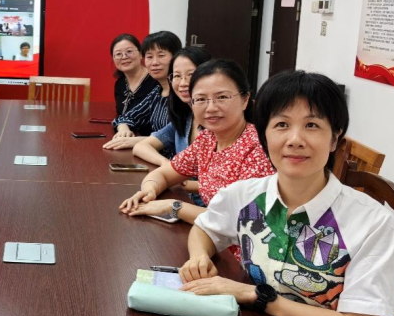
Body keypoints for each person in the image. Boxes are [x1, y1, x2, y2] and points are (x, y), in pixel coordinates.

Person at [180, 71, 394, 316]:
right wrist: (198, 257)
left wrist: (256, 296)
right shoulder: (245, 195)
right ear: (264, 134)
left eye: (312, 125)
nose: (295, 140)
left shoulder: (374, 223)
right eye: (281, 125)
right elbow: (205, 229)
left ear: (335, 138)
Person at [119, 59, 275, 224]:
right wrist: (149, 190)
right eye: (200, 99)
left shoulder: (258, 148)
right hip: (208, 234)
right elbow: (163, 174)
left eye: (222, 97)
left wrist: (174, 207)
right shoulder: (207, 139)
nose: (211, 108)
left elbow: (243, 221)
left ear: (245, 100)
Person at [132, 46, 212, 206]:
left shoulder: (220, 125)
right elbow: (141, 147)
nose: (183, 83)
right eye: (177, 76)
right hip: (186, 201)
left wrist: (178, 182)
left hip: (212, 210)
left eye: (191, 75)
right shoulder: (184, 118)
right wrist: (167, 167)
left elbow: (229, 187)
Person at [104, 31, 181, 150]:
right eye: (149, 57)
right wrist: (123, 128)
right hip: (150, 151)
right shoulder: (157, 92)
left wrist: (137, 140)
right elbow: (124, 117)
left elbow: (179, 138)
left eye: (161, 55)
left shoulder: (183, 94)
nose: (154, 63)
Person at [109, 33, 158, 118]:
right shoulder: (120, 84)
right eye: (118, 54)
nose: (124, 57)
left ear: (140, 54)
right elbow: (120, 114)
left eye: (129, 51)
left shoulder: (155, 81)